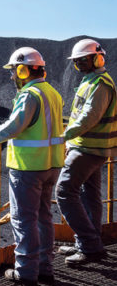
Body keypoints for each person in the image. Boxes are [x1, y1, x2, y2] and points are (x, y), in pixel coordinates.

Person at [0, 47, 64, 286]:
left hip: (28, 167)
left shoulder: (30, 95)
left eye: (14, 72)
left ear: (23, 69)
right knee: (43, 218)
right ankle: (45, 267)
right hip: (51, 165)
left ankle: (27, 271)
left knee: (23, 219)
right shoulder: (52, 93)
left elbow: (11, 129)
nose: (12, 77)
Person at [56, 39, 115, 265]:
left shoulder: (100, 84)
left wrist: (62, 137)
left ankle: (88, 245)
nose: (79, 65)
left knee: (64, 191)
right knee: (89, 195)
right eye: (77, 62)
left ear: (97, 59)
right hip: (88, 146)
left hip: (89, 148)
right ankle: (91, 243)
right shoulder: (90, 81)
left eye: (83, 60)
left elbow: (88, 117)